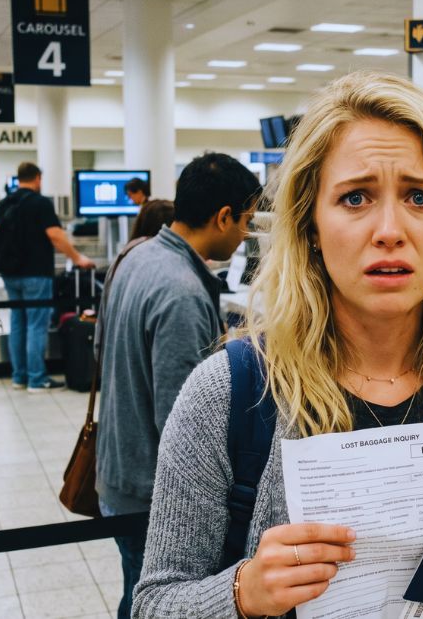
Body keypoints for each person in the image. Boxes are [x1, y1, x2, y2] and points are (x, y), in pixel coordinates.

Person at [131, 71, 423, 618]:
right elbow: (154, 604)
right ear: (310, 227)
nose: (390, 230)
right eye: (355, 198)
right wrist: (243, 593)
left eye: (421, 196)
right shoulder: (228, 392)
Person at [96, 154, 259, 618]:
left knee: (132, 585)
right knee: (148, 600)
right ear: (223, 216)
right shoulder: (183, 293)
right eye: (245, 221)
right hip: (150, 489)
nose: (246, 234)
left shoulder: (135, 256)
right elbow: (181, 421)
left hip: (117, 468)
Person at [0, 161, 94, 392]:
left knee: (18, 322)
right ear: (37, 178)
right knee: (36, 325)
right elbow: (55, 235)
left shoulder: (5, 203)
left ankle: (19, 377)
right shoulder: (40, 203)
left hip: (9, 272)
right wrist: (76, 257)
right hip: (36, 273)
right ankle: (37, 379)